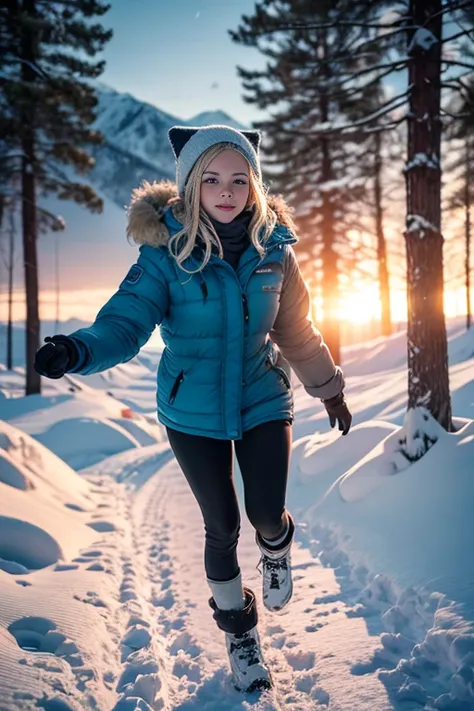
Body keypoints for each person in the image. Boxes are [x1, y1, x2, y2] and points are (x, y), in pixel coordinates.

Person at [34, 125, 352, 693]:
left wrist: (329, 388)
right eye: (211, 180)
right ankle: (240, 635)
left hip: (262, 396)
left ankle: (276, 549)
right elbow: (125, 322)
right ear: (189, 187)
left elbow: (296, 330)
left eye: (238, 179)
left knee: (264, 513)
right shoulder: (163, 255)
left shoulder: (273, 250)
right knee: (221, 525)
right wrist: (77, 349)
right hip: (191, 410)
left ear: (253, 185)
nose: (226, 192)